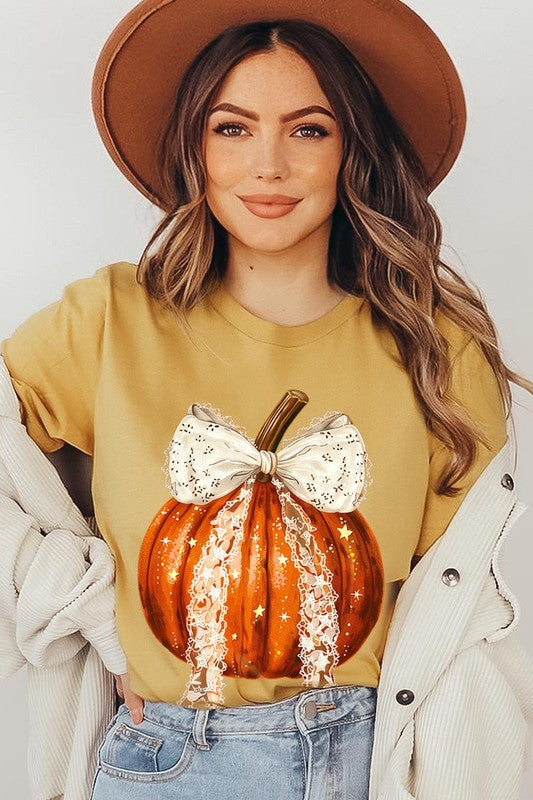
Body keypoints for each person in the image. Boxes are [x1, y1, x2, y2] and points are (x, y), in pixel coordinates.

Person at [1, 1, 531, 798]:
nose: (269, 166)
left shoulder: (434, 349)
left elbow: (456, 623)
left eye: (308, 129)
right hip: (168, 760)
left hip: (372, 756)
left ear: (352, 148)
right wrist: (80, 601)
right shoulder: (107, 321)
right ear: (195, 146)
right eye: (233, 128)